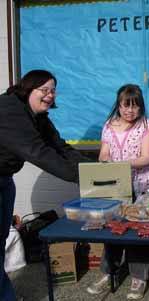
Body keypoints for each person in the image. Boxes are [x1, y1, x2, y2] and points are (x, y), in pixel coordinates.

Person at [0, 70, 90, 301]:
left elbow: (60, 147)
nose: (50, 95)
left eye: (53, 90)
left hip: (5, 181)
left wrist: (95, 170)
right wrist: (82, 177)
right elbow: (39, 153)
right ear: (28, 88)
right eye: (44, 90)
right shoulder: (10, 110)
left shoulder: (38, 116)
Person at [86, 84, 149, 300]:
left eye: (135, 106)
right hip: (114, 188)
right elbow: (103, 153)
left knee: (138, 232)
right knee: (112, 231)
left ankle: (139, 278)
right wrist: (106, 161)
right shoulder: (108, 126)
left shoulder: (146, 125)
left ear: (140, 107)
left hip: (140, 188)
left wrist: (121, 164)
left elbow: (146, 158)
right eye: (126, 105)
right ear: (118, 105)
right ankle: (109, 274)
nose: (130, 111)